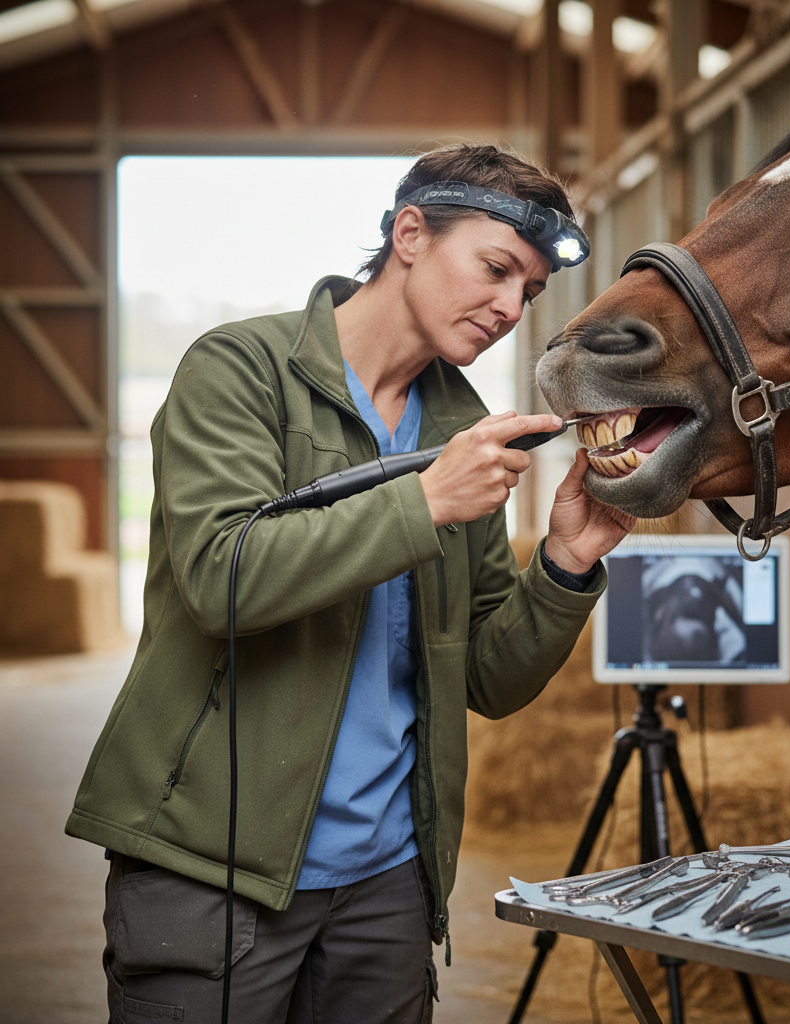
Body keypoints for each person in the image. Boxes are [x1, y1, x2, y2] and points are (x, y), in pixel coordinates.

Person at [66, 144, 634, 1024]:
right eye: (495, 269)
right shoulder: (240, 371)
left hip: (388, 884)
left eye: (528, 291)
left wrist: (566, 562)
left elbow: (486, 678)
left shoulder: (459, 422)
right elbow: (222, 581)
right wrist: (427, 503)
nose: (510, 308)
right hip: (213, 872)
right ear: (410, 233)